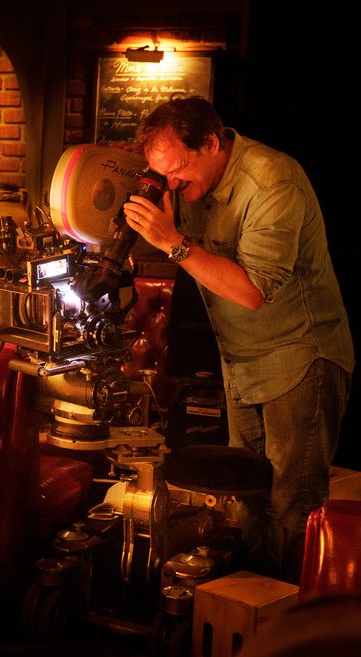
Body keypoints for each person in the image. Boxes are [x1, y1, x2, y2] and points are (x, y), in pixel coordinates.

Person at [122, 97, 354, 583]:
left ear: (211, 142)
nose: (172, 184)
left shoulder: (272, 182)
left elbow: (252, 292)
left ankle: (287, 625)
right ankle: (245, 615)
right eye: (161, 174)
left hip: (300, 358)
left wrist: (171, 243)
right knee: (247, 497)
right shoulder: (189, 182)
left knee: (294, 508)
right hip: (243, 362)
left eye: (178, 170)